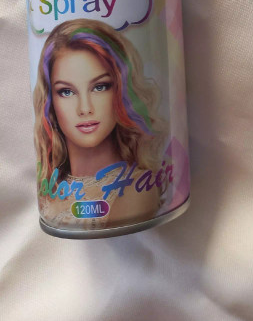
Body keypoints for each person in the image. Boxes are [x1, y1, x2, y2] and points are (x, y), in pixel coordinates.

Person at [34, 19, 166, 228]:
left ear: (121, 92)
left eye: (100, 87)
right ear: (50, 104)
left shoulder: (137, 189)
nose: (85, 108)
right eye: (66, 91)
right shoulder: (49, 188)